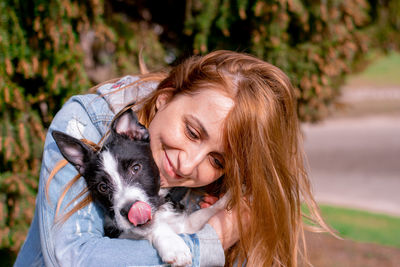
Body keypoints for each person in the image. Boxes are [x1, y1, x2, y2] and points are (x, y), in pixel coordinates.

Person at [15, 50, 330, 267]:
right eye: (192, 133)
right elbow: (72, 257)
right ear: (164, 99)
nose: (188, 164)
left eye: (217, 161)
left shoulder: (219, 196)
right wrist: (209, 241)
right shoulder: (87, 126)